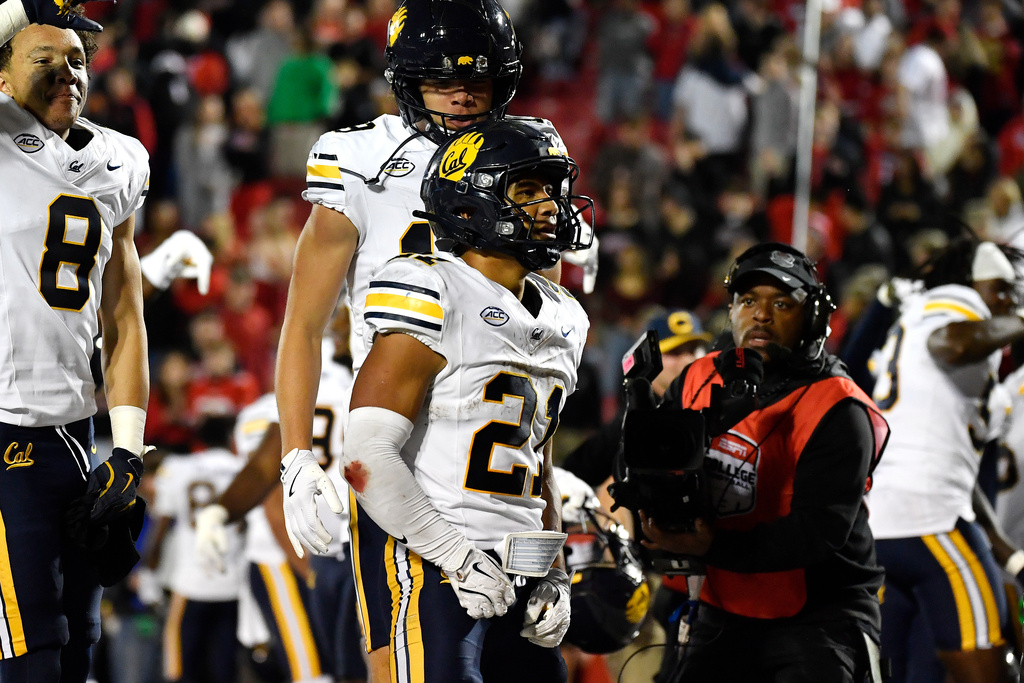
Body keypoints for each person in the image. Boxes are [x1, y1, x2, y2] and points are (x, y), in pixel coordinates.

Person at [274, 0, 592, 675]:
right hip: (398, 449)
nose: (461, 95)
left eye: (477, 81)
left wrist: (551, 550)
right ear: (405, 80)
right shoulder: (360, 158)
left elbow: (533, 370)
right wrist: (296, 454)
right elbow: (303, 325)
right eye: (442, 80)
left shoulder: (526, 161)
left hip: (487, 453)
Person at [634, 242, 889, 683]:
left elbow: (816, 535)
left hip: (818, 615)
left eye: (782, 303)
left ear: (813, 320)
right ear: (731, 311)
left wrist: (708, 546)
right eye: (749, 301)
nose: (761, 315)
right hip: (723, 603)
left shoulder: (840, 409)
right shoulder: (699, 376)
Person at [0, 2, 151, 681]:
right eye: (43, 60)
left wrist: (125, 444)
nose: (67, 73)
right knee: (31, 653)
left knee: (77, 652)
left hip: (70, 434)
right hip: (2, 433)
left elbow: (124, 313)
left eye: (78, 60)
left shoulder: (119, 160)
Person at [868, 240, 1024, 683]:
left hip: (884, 529)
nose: (1008, 303)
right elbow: (950, 344)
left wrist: (1008, 554)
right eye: (1002, 291)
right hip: (930, 525)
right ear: (974, 284)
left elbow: (958, 468)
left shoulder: (923, 333)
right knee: (990, 672)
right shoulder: (954, 305)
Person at [195, 308, 365, 683]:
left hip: (326, 553)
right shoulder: (362, 386)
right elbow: (271, 488)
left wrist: (220, 512)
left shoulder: (279, 403)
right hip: (324, 551)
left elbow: (262, 471)